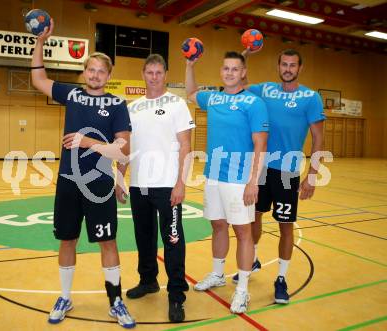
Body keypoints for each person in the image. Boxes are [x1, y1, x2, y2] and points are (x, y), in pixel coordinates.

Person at [31, 20, 135, 328]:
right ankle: (65, 297)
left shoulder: (117, 104)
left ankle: (115, 302)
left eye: (101, 71)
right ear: (83, 72)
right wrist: (40, 42)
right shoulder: (72, 94)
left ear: (108, 76)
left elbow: (123, 149)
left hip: (100, 184)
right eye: (90, 69)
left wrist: (87, 143)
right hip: (67, 182)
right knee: (67, 240)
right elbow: (39, 80)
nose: (95, 75)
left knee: (108, 242)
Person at [232, 49, 325, 305]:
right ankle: (252, 260)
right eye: (284, 64)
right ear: (278, 65)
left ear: (300, 68)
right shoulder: (265, 89)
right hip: (260, 169)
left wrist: (312, 176)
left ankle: (281, 279)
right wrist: (244, 55)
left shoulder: (311, 98)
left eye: (292, 65)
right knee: (254, 218)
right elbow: (238, 82)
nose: (287, 68)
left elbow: (318, 138)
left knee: (286, 226)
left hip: (287, 172)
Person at [185, 51, 268, 313]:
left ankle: (242, 290)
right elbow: (190, 93)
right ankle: (218, 274)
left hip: (239, 178)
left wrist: (253, 181)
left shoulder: (254, 103)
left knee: (243, 232)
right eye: (226, 69)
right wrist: (189, 65)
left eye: (235, 69)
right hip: (213, 175)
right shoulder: (214, 98)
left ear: (244, 73)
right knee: (218, 225)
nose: (230, 72)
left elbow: (261, 144)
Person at [115, 54, 194, 322]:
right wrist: (120, 177)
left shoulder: (177, 104)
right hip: (139, 185)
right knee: (144, 238)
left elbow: (186, 145)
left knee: (173, 240)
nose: (154, 77)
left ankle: (176, 295)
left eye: (159, 72)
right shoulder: (132, 107)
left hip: (167, 185)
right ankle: (148, 280)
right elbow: (126, 145)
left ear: (166, 74)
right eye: (150, 72)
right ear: (143, 74)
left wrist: (181, 182)